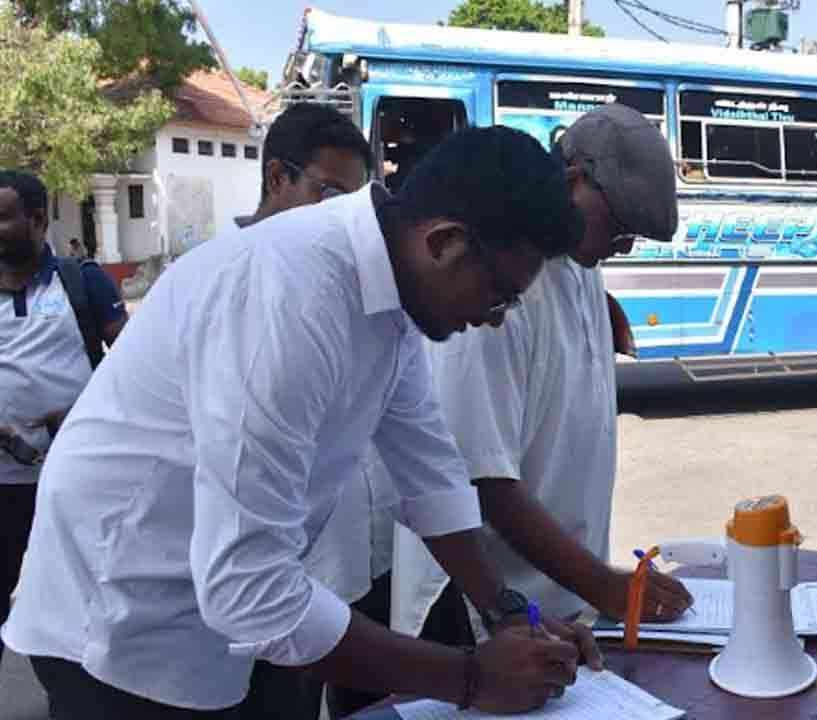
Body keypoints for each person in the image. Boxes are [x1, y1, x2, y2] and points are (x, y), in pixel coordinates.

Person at [1, 126, 602, 719]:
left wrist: (507, 610)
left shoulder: (393, 290)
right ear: (444, 242)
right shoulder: (288, 296)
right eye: (499, 294)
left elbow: (432, 473)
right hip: (117, 621)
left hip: (207, 600)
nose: (495, 319)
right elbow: (247, 586)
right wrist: (470, 677)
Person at [396, 103, 693, 649]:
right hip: (477, 600)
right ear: (574, 180)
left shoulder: (581, 267)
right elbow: (480, 477)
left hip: (558, 594)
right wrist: (599, 582)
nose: (621, 245)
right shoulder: (497, 280)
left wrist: (592, 583)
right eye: (619, 225)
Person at [230, 103, 386, 720]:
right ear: (276, 178)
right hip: (249, 590)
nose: (344, 218)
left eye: (356, 202)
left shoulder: (349, 288)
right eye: (328, 193)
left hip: (339, 575)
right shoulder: (225, 280)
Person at [0, 170, 127, 671]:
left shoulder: (81, 280)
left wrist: (82, 413)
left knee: (77, 597)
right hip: (3, 484)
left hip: (77, 478)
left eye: (3, 217)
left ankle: (75, 692)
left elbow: (135, 367)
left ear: (37, 219)